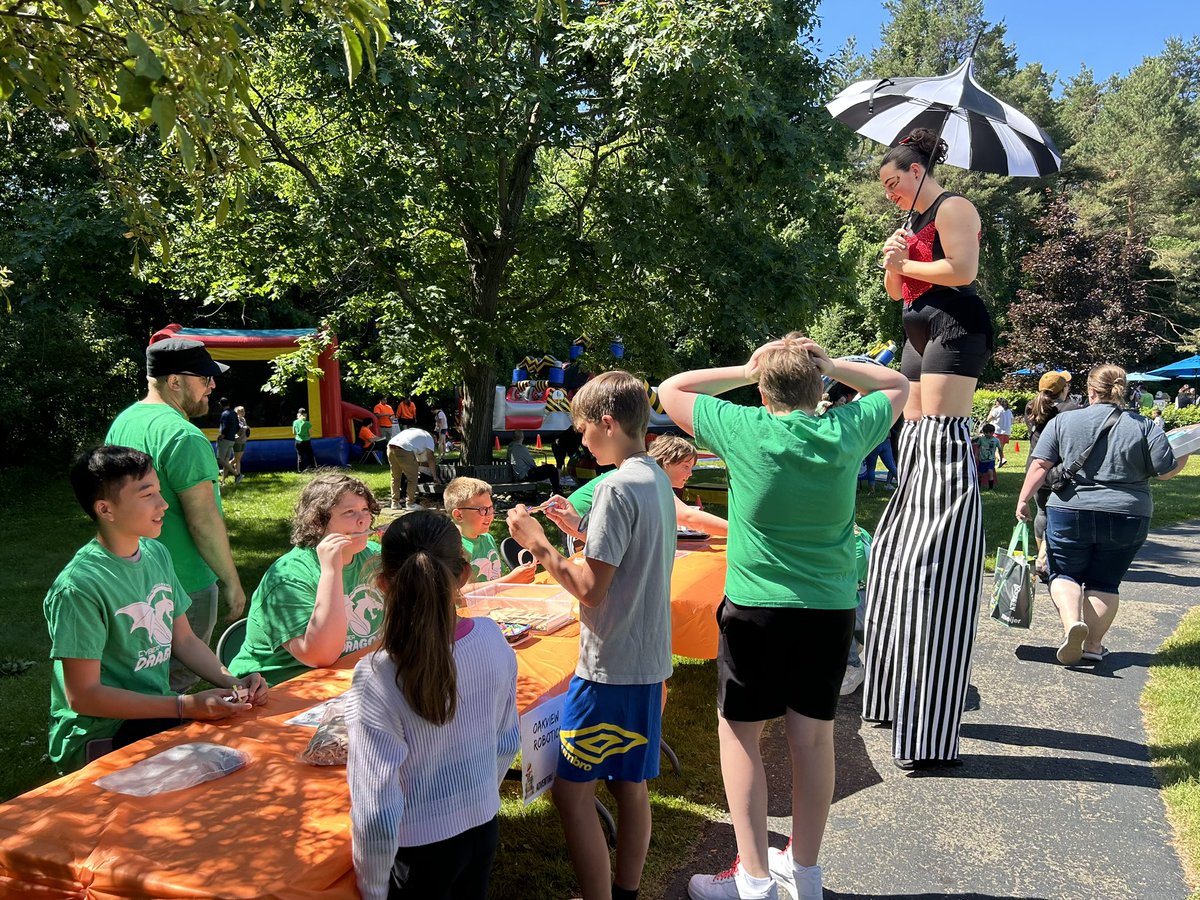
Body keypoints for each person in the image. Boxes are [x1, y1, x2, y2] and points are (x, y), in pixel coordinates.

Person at [657, 334, 906, 900]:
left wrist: (748, 368)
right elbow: (897, 383)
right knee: (813, 741)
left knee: (741, 737)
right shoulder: (846, 429)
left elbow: (672, 390)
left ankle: (755, 880)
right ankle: (806, 875)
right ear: (819, 387)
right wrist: (836, 364)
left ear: (763, 391)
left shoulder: (742, 428)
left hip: (757, 608)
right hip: (829, 608)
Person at [506, 370, 675, 900]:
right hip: (646, 662)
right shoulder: (653, 478)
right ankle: (624, 891)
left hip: (608, 670)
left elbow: (589, 588)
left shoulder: (616, 487)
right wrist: (577, 532)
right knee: (631, 785)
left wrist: (539, 545)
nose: (579, 439)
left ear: (607, 422)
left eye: (582, 429)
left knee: (571, 794)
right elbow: (629, 555)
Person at [863, 127, 991, 771]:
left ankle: (940, 517)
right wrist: (894, 263)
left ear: (918, 170)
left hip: (953, 328)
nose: (887, 193)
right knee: (912, 435)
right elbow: (896, 292)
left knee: (937, 436)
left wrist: (906, 262)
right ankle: (889, 691)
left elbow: (962, 271)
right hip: (916, 329)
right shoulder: (911, 220)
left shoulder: (953, 208)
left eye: (892, 182)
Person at [45, 446, 267, 773]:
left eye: (159, 492)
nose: (163, 504)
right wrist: (184, 706)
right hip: (100, 732)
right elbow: (84, 696)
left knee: (254, 746)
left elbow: (185, 640)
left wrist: (236, 683)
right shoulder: (79, 587)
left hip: (158, 713)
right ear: (106, 509)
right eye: (147, 494)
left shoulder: (156, 553)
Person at [345, 510, 519, 900]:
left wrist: (373, 888)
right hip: (481, 826)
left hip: (417, 850)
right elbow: (507, 741)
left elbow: (376, 808)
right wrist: (477, 797)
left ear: (382, 584)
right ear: (464, 575)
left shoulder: (377, 676)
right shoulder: (493, 639)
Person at [1016, 365, 1188, 665]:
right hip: (1128, 514)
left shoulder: (1064, 421)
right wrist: (1183, 452)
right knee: (1106, 581)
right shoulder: (1144, 426)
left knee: (1063, 572)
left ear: (1091, 390)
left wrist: (1023, 500)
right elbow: (1165, 472)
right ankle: (1094, 646)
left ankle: (1073, 625)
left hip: (1070, 509)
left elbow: (1040, 465)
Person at [106, 338, 246, 692]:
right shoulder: (184, 436)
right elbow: (203, 521)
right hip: (183, 585)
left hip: (130, 578)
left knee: (139, 681)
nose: (212, 386)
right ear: (174, 382)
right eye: (205, 378)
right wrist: (230, 580)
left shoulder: (124, 421)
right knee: (172, 687)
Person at [229, 473, 386, 685]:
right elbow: (321, 656)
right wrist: (331, 570)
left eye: (365, 510)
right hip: (278, 691)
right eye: (349, 512)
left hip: (347, 680)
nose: (363, 520)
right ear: (317, 521)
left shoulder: (374, 556)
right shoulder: (287, 577)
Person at [1024, 371, 1079, 580]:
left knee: (1042, 512)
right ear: (1064, 389)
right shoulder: (1071, 409)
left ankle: (1041, 556)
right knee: (1058, 513)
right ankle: (1044, 560)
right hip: (1058, 469)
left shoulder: (1031, 406)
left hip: (1035, 467)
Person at [444, 476, 537, 589]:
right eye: (483, 510)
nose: (490, 515)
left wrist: (521, 575)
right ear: (459, 515)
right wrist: (510, 580)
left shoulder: (487, 539)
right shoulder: (451, 548)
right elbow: (458, 593)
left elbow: (496, 577)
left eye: (491, 508)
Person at [839, 524, 873, 697]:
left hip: (860, 603)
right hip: (868, 600)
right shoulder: (858, 531)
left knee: (832, 609)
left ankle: (852, 664)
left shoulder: (850, 540)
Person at [387, 426, 439, 509]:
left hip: (390, 446)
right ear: (434, 437)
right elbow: (431, 458)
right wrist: (435, 477)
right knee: (413, 478)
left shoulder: (416, 432)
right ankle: (410, 503)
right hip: (404, 448)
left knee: (395, 477)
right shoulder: (429, 438)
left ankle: (395, 503)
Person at [216, 397, 240, 484]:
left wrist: (222, 435)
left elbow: (224, 426)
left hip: (225, 439)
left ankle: (237, 475)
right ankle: (223, 481)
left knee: (220, 459)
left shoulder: (225, 414)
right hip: (232, 439)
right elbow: (238, 426)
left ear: (221, 404)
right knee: (226, 461)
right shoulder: (234, 413)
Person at [974, 423, 1001, 490]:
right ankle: (978, 486)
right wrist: (976, 454)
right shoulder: (981, 439)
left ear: (992, 433)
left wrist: (1001, 457)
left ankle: (990, 487)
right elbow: (977, 447)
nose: (986, 434)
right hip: (982, 460)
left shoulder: (996, 440)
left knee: (990, 472)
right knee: (980, 474)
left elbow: (1000, 449)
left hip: (991, 460)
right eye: (985, 433)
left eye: (988, 433)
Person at [988, 398, 1013, 466]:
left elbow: (988, 419)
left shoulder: (996, 410)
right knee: (1000, 449)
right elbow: (1011, 420)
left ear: (999, 403)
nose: (995, 403)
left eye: (995, 402)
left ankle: (1002, 459)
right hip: (1006, 432)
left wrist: (991, 410)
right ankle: (1000, 462)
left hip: (997, 432)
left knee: (992, 448)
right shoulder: (1009, 411)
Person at [231, 405, 250, 484]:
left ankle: (227, 467)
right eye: (241, 411)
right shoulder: (236, 420)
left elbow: (244, 429)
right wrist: (245, 428)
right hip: (237, 441)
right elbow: (238, 430)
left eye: (243, 411)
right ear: (237, 412)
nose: (243, 412)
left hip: (243, 441)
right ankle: (237, 475)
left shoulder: (243, 419)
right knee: (237, 459)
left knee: (237, 459)